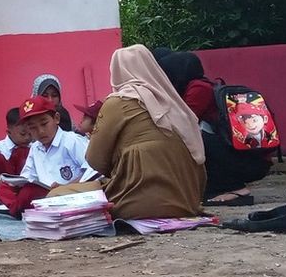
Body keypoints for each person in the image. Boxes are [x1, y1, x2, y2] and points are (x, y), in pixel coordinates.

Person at [86, 45, 206, 219]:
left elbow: (94, 159)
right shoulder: (175, 103)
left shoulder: (117, 103)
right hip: (187, 204)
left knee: (58, 195)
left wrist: (120, 161)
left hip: (134, 205)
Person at [159, 51, 271, 206]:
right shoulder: (196, 86)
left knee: (197, 141)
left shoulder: (199, 88)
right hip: (236, 155)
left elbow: (184, 121)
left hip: (248, 160)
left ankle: (235, 190)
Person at [0, 96, 96, 217]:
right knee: (4, 188)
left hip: (68, 194)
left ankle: (20, 208)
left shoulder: (72, 141)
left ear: (56, 118)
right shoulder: (35, 148)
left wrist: (67, 187)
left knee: (29, 194)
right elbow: (28, 175)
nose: (41, 131)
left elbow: (93, 170)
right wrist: (16, 183)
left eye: (44, 124)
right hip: (45, 194)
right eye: (33, 127)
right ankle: (23, 207)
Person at [0, 107, 33, 202]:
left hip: (27, 190)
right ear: (9, 132)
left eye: (30, 134)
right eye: (23, 134)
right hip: (3, 193)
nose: (27, 138)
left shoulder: (34, 147)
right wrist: (9, 186)